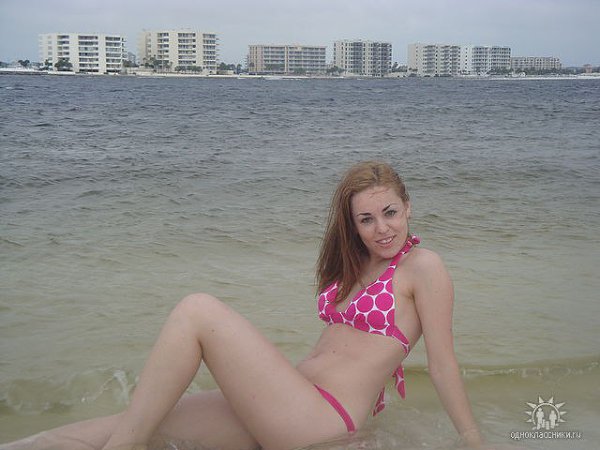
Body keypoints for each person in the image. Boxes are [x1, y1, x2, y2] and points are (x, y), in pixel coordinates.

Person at [3, 161, 484, 450]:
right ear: (352, 224)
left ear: (408, 207)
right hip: (284, 402)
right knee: (124, 425)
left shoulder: (423, 267)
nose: (381, 228)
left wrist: (472, 441)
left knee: (197, 310)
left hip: (319, 421)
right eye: (366, 219)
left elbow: (442, 365)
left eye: (390, 212)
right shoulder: (358, 264)